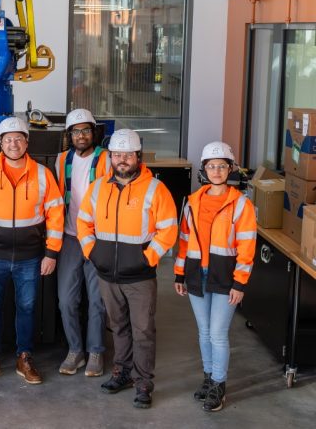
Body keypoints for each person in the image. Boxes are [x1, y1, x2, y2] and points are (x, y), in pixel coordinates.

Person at [77, 129, 178, 409]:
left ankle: (143, 382)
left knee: (143, 330)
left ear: (138, 157)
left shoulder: (155, 189)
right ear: (111, 157)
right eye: (117, 155)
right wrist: (93, 252)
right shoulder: (98, 187)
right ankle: (121, 372)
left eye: (127, 155)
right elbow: (84, 222)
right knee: (118, 327)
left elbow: (169, 229)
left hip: (140, 277)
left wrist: (148, 258)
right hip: (107, 274)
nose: (122, 160)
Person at [0, 117, 64, 385]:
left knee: (28, 308)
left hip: (31, 258)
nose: (13, 143)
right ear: (0, 143)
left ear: (27, 142)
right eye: (8, 139)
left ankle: (25, 357)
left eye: (18, 138)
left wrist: (51, 253)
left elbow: (55, 213)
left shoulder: (43, 174)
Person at [175, 141, 256, 412]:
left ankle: (219, 385)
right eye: (211, 166)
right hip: (198, 274)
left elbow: (247, 246)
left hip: (225, 276)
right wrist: (178, 274)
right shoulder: (193, 202)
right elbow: (184, 241)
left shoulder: (241, 204)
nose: (217, 171)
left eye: (222, 166)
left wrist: (240, 283)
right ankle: (209, 378)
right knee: (204, 332)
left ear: (230, 168)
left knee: (218, 334)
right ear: (204, 170)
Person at [55, 109, 110, 377]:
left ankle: (96, 352)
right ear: (69, 135)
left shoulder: (107, 159)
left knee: (97, 300)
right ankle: (75, 350)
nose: (81, 135)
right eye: (76, 131)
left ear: (94, 133)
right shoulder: (61, 160)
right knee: (66, 299)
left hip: (98, 238)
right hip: (69, 237)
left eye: (86, 130)